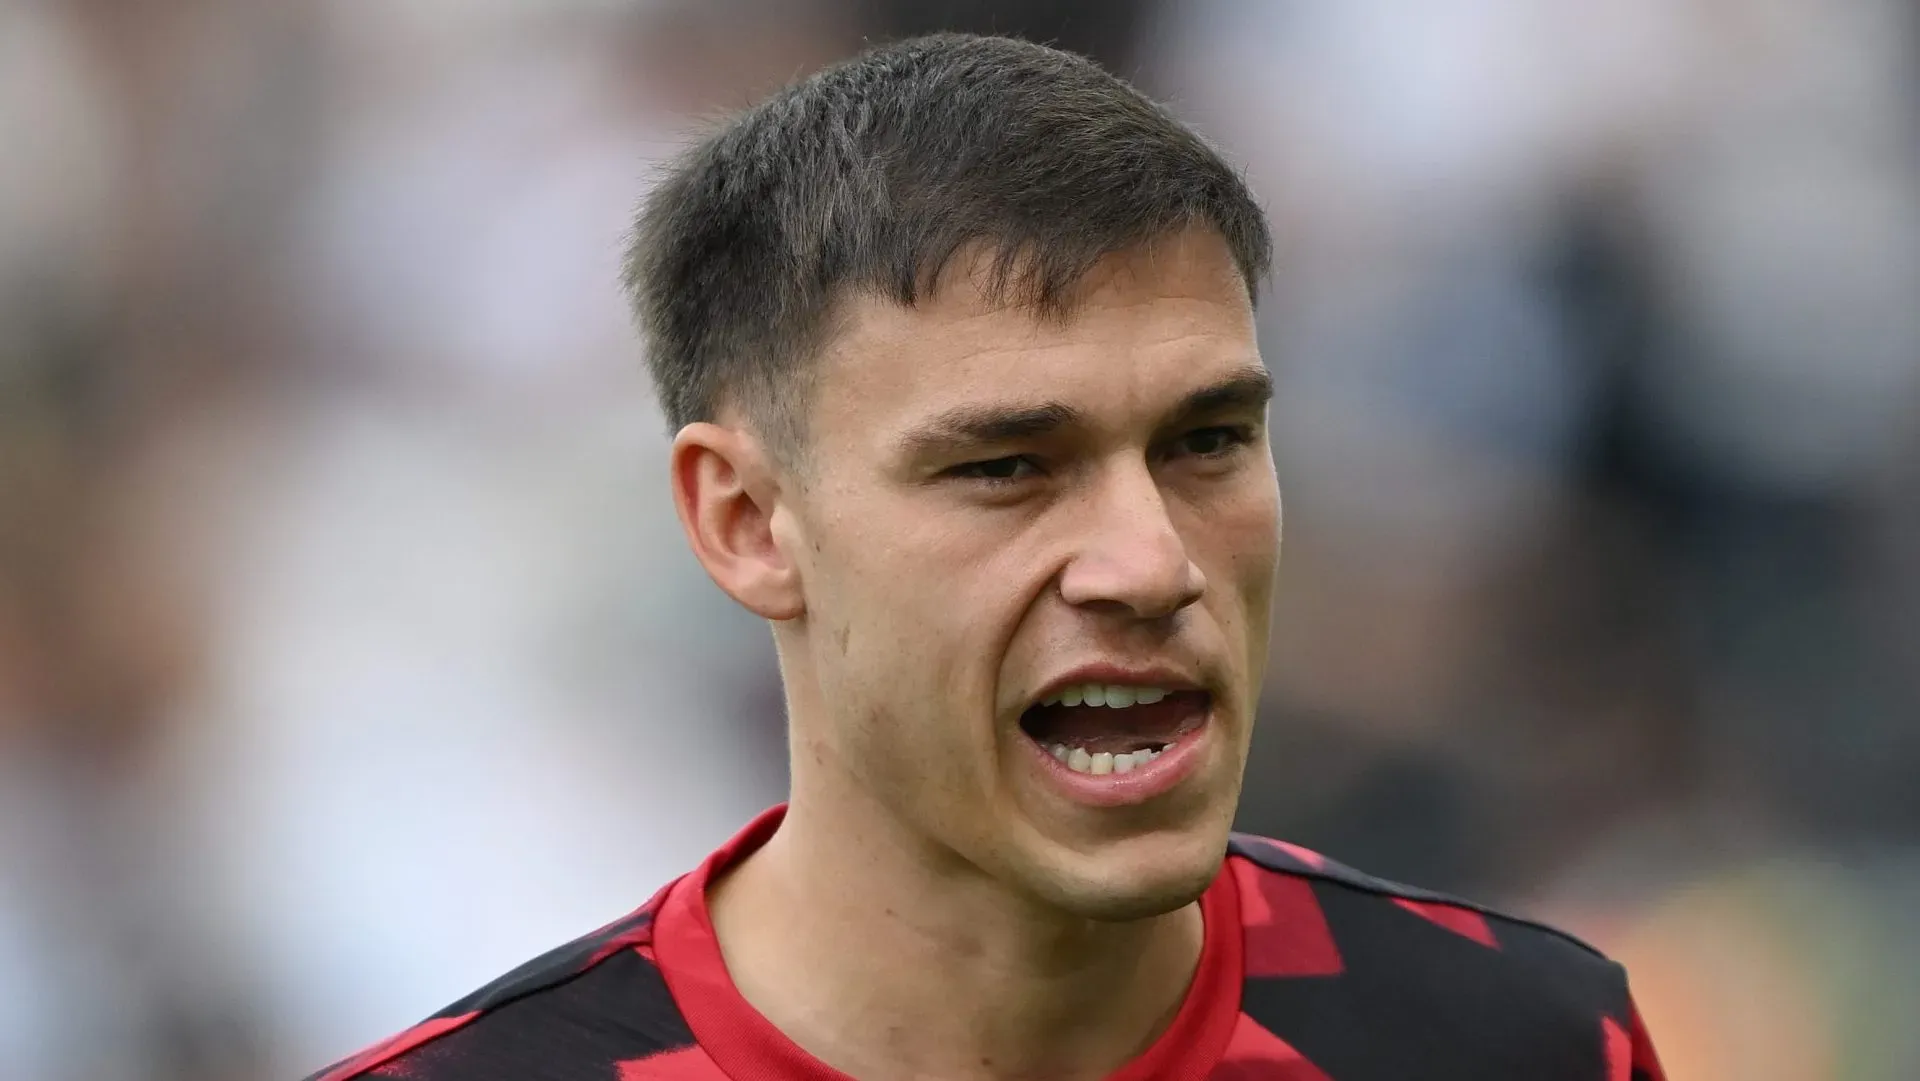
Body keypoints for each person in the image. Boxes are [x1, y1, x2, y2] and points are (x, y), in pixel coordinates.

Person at [304, 33, 1667, 1081]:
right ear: (745, 523)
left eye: (1206, 442)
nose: (1147, 563)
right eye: (1007, 467)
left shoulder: (1519, 1045)